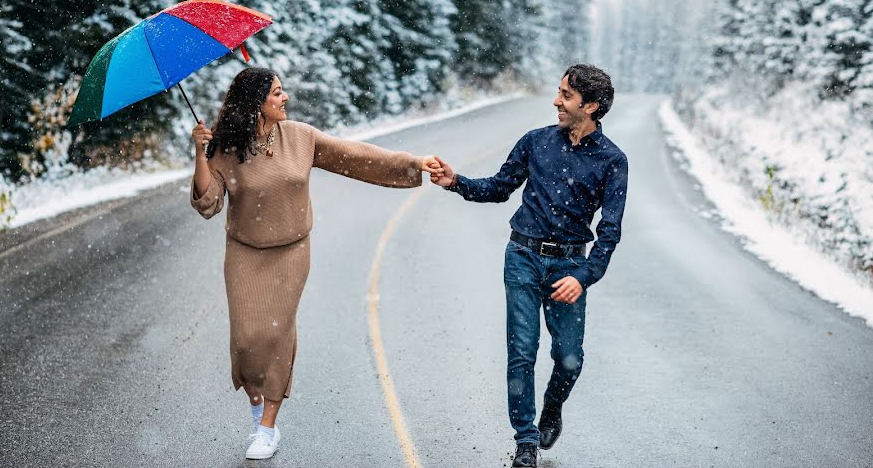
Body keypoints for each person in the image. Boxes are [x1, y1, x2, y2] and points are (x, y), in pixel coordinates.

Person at [189, 66, 443, 460]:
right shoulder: (225, 148)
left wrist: (413, 163)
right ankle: (257, 408)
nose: (285, 97)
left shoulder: (300, 137)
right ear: (257, 103)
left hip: (291, 252)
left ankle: (268, 428)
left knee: (275, 336)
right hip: (243, 253)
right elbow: (208, 202)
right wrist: (200, 154)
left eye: (282, 90)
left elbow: (356, 156)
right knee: (245, 341)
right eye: (276, 93)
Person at [430, 64, 628, 468]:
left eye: (566, 96)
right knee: (522, 351)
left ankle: (551, 408)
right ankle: (526, 440)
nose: (556, 101)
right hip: (521, 257)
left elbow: (609, 231)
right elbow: (499, 188)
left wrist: (583, 276)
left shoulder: (612, 161)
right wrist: (456, 182)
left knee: (570, 358)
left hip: (570, 265)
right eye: (558, 92)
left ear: (590, 106)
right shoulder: (535, 142)